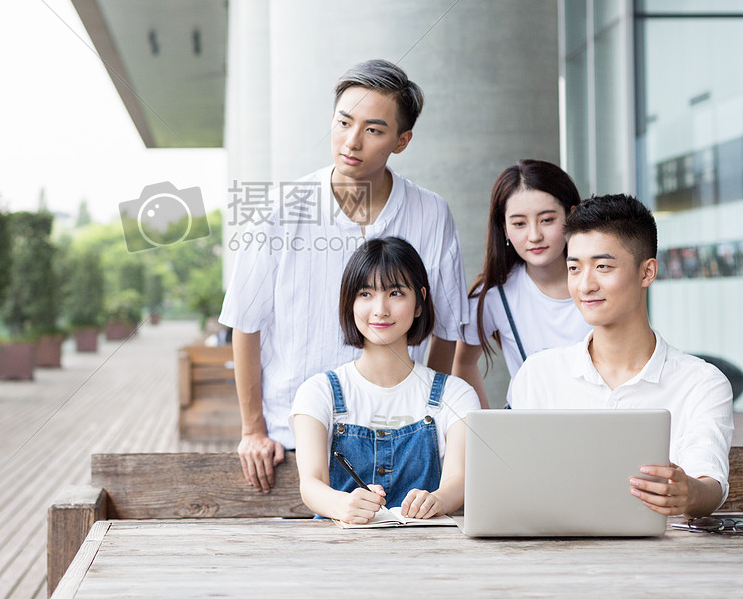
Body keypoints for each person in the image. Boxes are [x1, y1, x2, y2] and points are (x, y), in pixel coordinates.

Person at [219, 59, 469, 493]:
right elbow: (247, 323)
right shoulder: (278, 211)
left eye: (373, 129)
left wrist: (431, 416)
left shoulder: (431, 212)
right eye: (343, 122)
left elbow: (446, 327)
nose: (351, 141)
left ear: (402, 140)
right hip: (293, 439)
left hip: (404, 438)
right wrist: (252, 429)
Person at [510, 194, 734, 518]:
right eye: (574, 268)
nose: (585, 285)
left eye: (602, 266)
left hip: (664, 561)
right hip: (557, 557)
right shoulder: (538, 373)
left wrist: (687, 493)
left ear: (647, 272)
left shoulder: (702, 383)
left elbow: (710, 484)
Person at [291, 237, 479, 523]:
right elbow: (312, 483)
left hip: (429, 557)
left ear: (420, 302)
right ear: (349, 302)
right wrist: (342, 505)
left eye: (395, 293)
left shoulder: (455, 395)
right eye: (365, 294)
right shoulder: (318, 392)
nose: (380, 309)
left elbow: (459, 480)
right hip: (335, 557)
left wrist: (437, 499)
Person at [452, 159, 587, 407]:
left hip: (600, 425)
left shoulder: (598, 281)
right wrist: (484, 427)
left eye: (547, 220)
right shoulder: (494, 294)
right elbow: (464, 361)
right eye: (519, 224)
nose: (534, 235)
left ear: (572, 215)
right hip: (527, 434)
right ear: (503, 228)